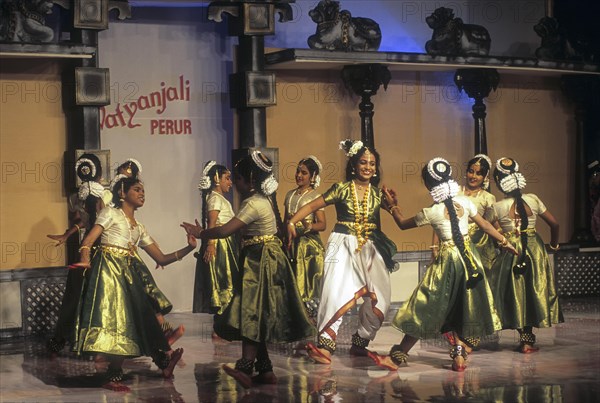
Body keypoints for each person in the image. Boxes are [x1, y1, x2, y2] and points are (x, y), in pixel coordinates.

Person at [182, 150, 315, 389]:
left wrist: (200, 233)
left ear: (250, 180)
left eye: (239, 179)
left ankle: (246, 363)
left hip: (262, 260)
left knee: (252, 311)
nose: (236, 184)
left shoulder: (253, 203)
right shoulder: (260, 201)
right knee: (256, 313)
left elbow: (224, 231)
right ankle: (265, 369)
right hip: (259, 258)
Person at [377, 157, 517, 372]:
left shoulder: (432, 211)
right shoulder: (466, 203)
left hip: (447, 261)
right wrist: (504, 242)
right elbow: (487, 226)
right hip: (471, 259)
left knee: (424, 307)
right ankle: (459, 357)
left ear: (427, 184)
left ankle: (397, 357)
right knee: (463, 307)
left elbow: (403, 224)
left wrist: (392, 207)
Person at [71, 176, 195, 392]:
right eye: (137, 189)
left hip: (129, 274)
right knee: (118, 321)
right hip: (109, 272)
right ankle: (113, 375)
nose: (142, 194)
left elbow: (162, 258)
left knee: (144, 316)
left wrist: (189, 248)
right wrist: (85, 259)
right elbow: (88, 241)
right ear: (122, 193)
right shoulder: (110, 213)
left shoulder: (139, 228)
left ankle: (164, 362)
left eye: (143, 190)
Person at [286, 139, 398, 365]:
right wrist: (292, 222)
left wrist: (394, 204)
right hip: (342, 244)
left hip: (370, 247)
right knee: (335, 292)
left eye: (372, 164)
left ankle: (361, 342)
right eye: (363, 162)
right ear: (354, 165)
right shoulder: (341, 189)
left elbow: (397, 214)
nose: (368, 167)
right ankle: (326, 345)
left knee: (381, 298)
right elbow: (311, 206)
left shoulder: (377, 194)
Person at [489, 157, 563, 353]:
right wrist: (554, 245)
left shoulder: (497, 207)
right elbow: (555, 224)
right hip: (535, 249)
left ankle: (522, 335)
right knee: (532, 290)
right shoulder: (533, 199)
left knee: (515, 292)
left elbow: (486, 229)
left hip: (511, 249)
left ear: (498, 182)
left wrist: (500, 241)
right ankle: (527, 341)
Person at [46, 154, 106, 354]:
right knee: (81, 294)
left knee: (89, 295)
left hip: (97, 247)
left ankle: (88, 340)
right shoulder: (87, 195)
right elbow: (89, 221)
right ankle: (74, 340)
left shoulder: (97, 194)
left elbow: (96, 221)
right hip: (91, 248)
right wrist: (68, 233)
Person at [193, 161, 240, 330]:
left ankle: (225, 323)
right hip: (221, 246)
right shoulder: (214, 199)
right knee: (224, 281)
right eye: (227, 178)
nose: (230, 182)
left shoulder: (219, 198)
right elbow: (212, 223)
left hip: (227, 243)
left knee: (228, 281)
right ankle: (222, 325)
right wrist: (211, 244)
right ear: (216, 179)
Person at [283, 156, 326, 317]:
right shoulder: (289, 195)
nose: (299, 175)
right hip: (290, 243)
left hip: (308, 247)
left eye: (304, 173)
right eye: (297, 171)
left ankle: (309, 316)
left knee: (308, 284)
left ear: (313, 176)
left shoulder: (315, 196)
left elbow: (322, 224)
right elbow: (285, 221)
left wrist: (309, 226)